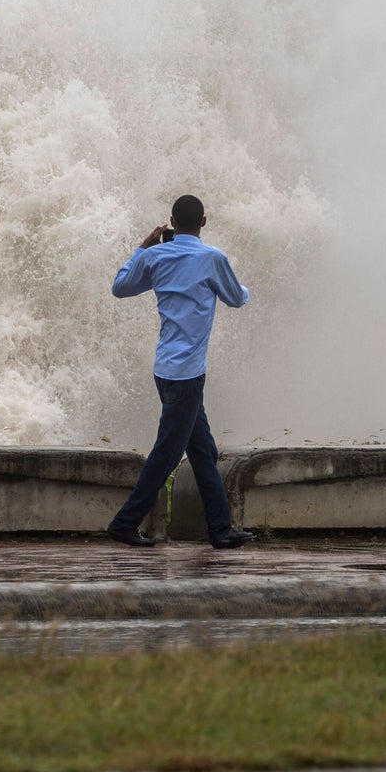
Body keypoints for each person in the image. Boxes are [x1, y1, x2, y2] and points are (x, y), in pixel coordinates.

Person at [106, 194, 255, 549]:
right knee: (168, 453)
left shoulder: (156, 256)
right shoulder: (212, 259)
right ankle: (124, 522)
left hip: (164, 369)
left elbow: (120, 287)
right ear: (203, 222)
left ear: (171, 223)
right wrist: (232, 285)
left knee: (203, 451)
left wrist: (143, 246)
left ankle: (221, 529)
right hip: (188, 374)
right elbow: (238, 298)